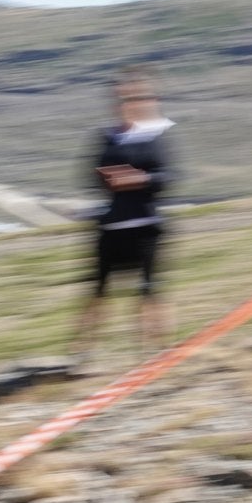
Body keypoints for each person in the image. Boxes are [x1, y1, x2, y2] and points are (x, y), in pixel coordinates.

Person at [73, 68, 177, 357]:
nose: (129, 104)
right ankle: (81, 354)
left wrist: (140, 179)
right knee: (97, 290)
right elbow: (91, 176)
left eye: (136, 98)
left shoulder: (155, 135)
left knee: (150, 289)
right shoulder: (106, 137)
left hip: (146, 225)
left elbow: (168, 177)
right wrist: (110, 178)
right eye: (123, 98)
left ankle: (154, 351)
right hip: (111, 226)